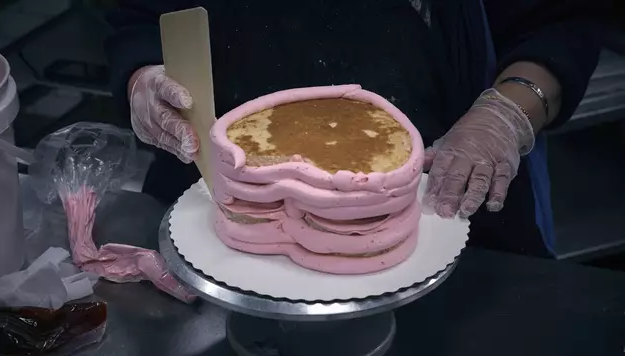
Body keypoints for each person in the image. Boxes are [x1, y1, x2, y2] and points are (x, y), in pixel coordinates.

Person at [105, 0, 608, 257]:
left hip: (443, 197)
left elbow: (560, 22)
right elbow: (140, 18)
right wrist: (142, 80)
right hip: (219, 197)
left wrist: (505, 114)